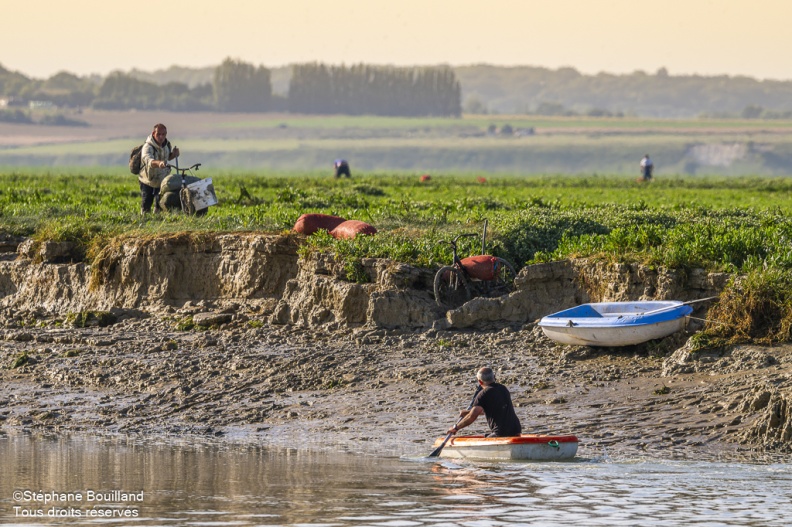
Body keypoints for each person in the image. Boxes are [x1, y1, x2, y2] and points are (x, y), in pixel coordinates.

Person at [448, 367, 522, 437]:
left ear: (480, 381)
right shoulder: (503, 388)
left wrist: (456, 427)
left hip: (501, 432)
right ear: (494, 377)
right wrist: (468, 412)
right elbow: (489, 410)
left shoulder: (483, 394)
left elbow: (472, 416)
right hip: (516, 429)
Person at [138, 123, 180, 213]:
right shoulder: (148, 146)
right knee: (146, 203)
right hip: (148, 179)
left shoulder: (166, 145)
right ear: (154, 133)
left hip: (161, 179)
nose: (161, 137)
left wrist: (174, 154)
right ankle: (144, 222)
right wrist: (159, 163)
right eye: (158, 134)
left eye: (163, 134)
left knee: (160, 204)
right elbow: (148, 160)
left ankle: (157, 222)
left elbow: (168, 157)